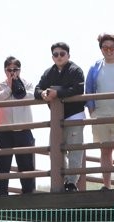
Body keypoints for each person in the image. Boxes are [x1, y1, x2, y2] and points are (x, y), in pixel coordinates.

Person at [35, 42, 85, 192]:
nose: (59, 57)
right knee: (55, 149)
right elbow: (38, 89)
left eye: (62, 54)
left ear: (68, 55)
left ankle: (71, 183)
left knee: (74, 150)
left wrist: (58, 93)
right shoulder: (49, 72)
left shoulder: (75, 70)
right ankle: (58, 181)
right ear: (52, 57)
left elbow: (78, 88)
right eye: (56, 54)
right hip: (57, 119)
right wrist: (42, 93)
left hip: (75, 115)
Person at [0, 56, 36, 196]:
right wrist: (9, 88)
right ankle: (1, 193)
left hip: (23, 129)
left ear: (20, 70)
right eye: (9, 69)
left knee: (26, 164)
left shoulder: (27, 83)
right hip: (4, 130)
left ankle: (28, 193)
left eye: (15, 69)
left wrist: (18, 87)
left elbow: (32, 96)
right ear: (5, 71)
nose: (12, 72)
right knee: (2, 163)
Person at [86, 33, 114, 189]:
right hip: (100, 113)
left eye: (112, 47)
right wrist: (92, 111)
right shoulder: (95, 67)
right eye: (105, 47)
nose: (109, 50)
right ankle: (106, 185)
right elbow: (88, 90)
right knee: (105, 150)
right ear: (101, 49)